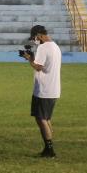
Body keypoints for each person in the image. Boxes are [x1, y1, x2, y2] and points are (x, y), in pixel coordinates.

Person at [25, 25, 61, 158]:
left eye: (35, 38)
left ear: (39, 35)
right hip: (54, 88)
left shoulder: (43, 47)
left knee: (41, 119)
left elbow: (38, 67)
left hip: (44, 89)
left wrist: (29, 59)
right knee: (46, 118)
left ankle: (49, 148)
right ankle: (49, 145)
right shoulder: (55, 46)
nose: (35, 41)